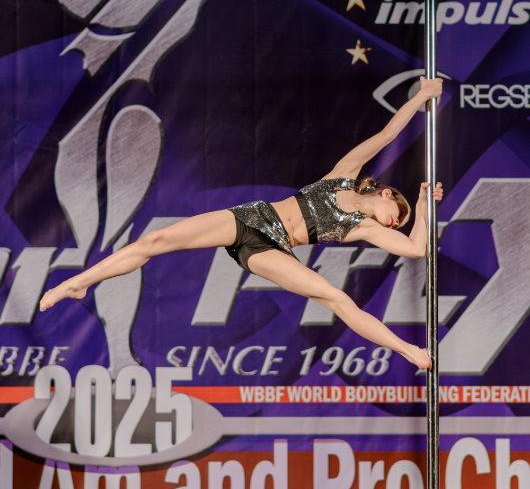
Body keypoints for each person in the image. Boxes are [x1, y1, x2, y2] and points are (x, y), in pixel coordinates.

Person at [40, 77, 443, 370]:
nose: (394, 226)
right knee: (155, 239)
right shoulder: (343, 176)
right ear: (387, 194)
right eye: (398, 217)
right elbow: (387, 134)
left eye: (397, 226)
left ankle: (409, 352)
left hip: (270, 248)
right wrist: (421, 97)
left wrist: (424, 204)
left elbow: (415, 248)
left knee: (336, 299)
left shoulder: (363, 227)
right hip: (251, 217)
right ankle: (78, 283)